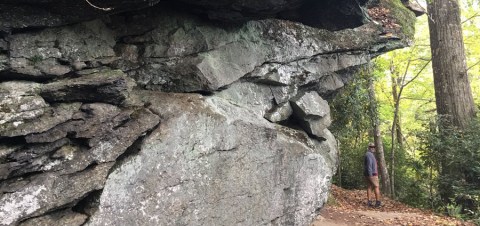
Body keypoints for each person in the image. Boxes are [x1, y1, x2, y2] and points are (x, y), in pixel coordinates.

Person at [364, 142, 381, 208]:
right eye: (371, 147)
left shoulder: (370, 154)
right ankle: (378, 202)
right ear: (369, 147)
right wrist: (370, 175)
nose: (373, 148)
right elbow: (369, 165)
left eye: (374, 147)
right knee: (376, 187)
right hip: (372, 174)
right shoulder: (369, 154)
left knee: (369, 187)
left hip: (369, 174)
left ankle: (369, 201)